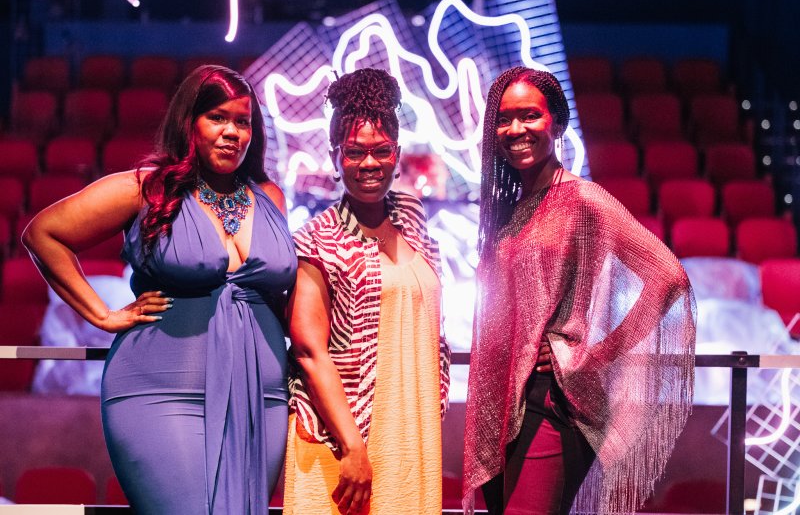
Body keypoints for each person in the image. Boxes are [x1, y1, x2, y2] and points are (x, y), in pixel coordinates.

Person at [22, 65, 297, 514]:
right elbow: (44, 234)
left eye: (243, 121)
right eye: (218, 118)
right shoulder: (147, 188)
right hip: (159, 392)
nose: (232, 133)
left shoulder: (270, 196)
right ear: (190, 123)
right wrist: (103, 315)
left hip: (260, 397)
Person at [462, 67, 696, 515]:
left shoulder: (583, 199)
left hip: (555, 398)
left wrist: (599, 351)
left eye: (529, 115)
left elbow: (668, 277)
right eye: (504, 119)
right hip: (507, 398)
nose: (515, 130)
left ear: (558, 123)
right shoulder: (511, 207)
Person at [283, 67, 450, 515]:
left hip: (409, 434)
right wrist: (354, 449)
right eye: (355, 152)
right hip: (343, 446)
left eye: (380, 151)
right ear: (337, 157)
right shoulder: (316, 239)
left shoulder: (412, 219)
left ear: (397, 153)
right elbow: (308, 351)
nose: (369, 163)